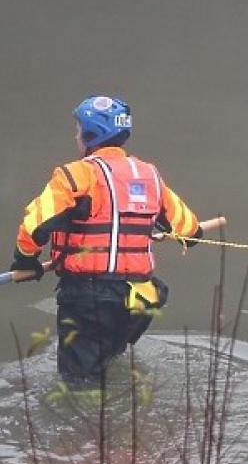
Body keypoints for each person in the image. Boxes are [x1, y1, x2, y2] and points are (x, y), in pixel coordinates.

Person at [9, 96, 203, 390]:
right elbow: (190, 230)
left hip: (89, 297)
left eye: (78, 130)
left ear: (90, 136)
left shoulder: (75, 175)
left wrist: (25, 261)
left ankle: (86, 430)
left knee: (77, 387)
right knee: (108, 364)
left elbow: (34, 226)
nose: (75, 136)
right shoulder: (149, 175)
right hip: (140, 297)